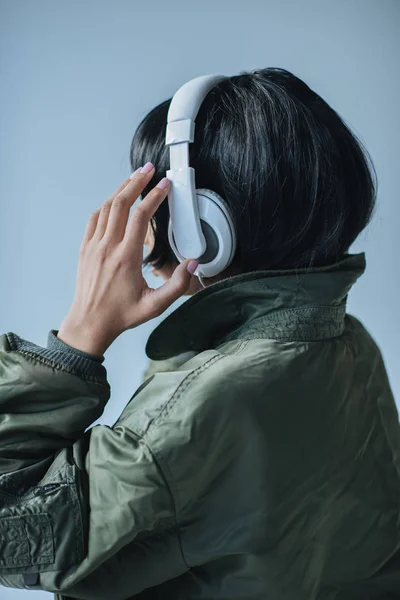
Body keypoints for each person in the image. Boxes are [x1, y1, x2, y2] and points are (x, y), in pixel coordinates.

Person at [0, 68, 399, 600]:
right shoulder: (345, 339)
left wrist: (77, 339)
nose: (142, 230)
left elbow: (10, 538)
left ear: (200, 227)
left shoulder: (198, 409)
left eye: (155, 204)